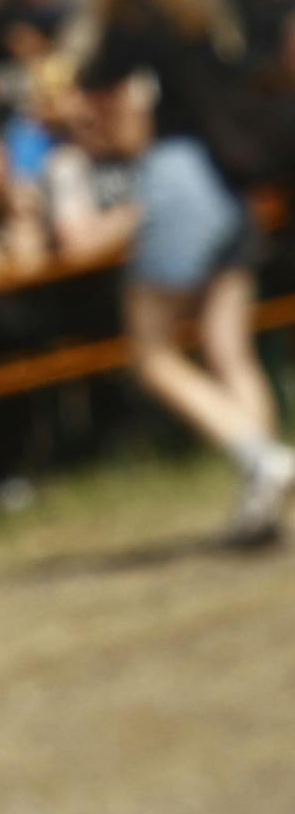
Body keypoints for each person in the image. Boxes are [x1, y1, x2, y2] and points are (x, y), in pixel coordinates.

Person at [46, 44, 289, 537]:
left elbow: (133, 144)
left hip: (181, 196)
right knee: (230, 352)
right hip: (226, 195)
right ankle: (263, 493)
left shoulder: (123, 81)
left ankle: (263, 458)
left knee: (151, 357)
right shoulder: (185, 69)